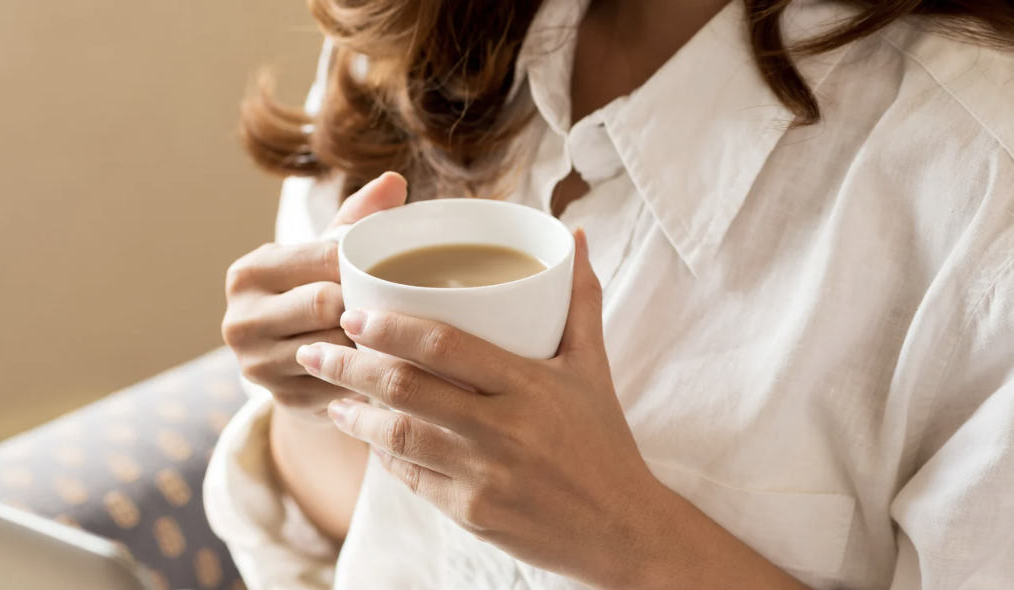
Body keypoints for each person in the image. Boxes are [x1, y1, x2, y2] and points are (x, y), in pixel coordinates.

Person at [204, 0, 1014, 587]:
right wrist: (317, 391)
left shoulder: (979, 186)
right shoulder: (403, 38)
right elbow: (363, 531)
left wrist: (629, 537)